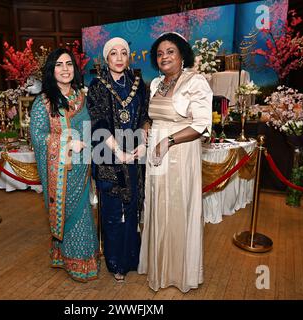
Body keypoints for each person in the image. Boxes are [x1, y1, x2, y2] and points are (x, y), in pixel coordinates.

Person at [138, 32, 212, 292]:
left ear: (182, 55)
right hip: (156, 155)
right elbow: (152, 114)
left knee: (179, 209)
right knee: (158, 206)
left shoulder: (196, 81)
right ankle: (159, 266)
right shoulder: (156, 83)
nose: (164, 56)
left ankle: (180, 272)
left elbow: (202, 125)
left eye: (170, 51)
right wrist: (147, 125)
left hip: (180, 153)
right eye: (159, 53)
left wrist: (168, 141)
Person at [30, 48, 99, 282]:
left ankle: (84, 260)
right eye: (59, 65)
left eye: (69, 64)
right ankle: (71, 261)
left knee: (84, 214)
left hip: (83, 167)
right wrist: (67, 142)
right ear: (51, 70)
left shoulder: (82, 96)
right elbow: (38, 137)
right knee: (70, 215)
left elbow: (93, 126)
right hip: (60, 173)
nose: (65, 69)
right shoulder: (44, 102)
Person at [87, 37, 150, 282]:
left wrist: (143, 142)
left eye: (124, 52)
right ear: (106, 58)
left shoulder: (138, 83)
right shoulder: (97, 85)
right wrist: (117, 152)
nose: (120, 57)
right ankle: (116, 263)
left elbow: (145, 115)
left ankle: (132, 258)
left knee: (132, 208)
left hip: (134, 155)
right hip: (108, 156)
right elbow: (98, 122)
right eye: (114, 53)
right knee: (114, 211)